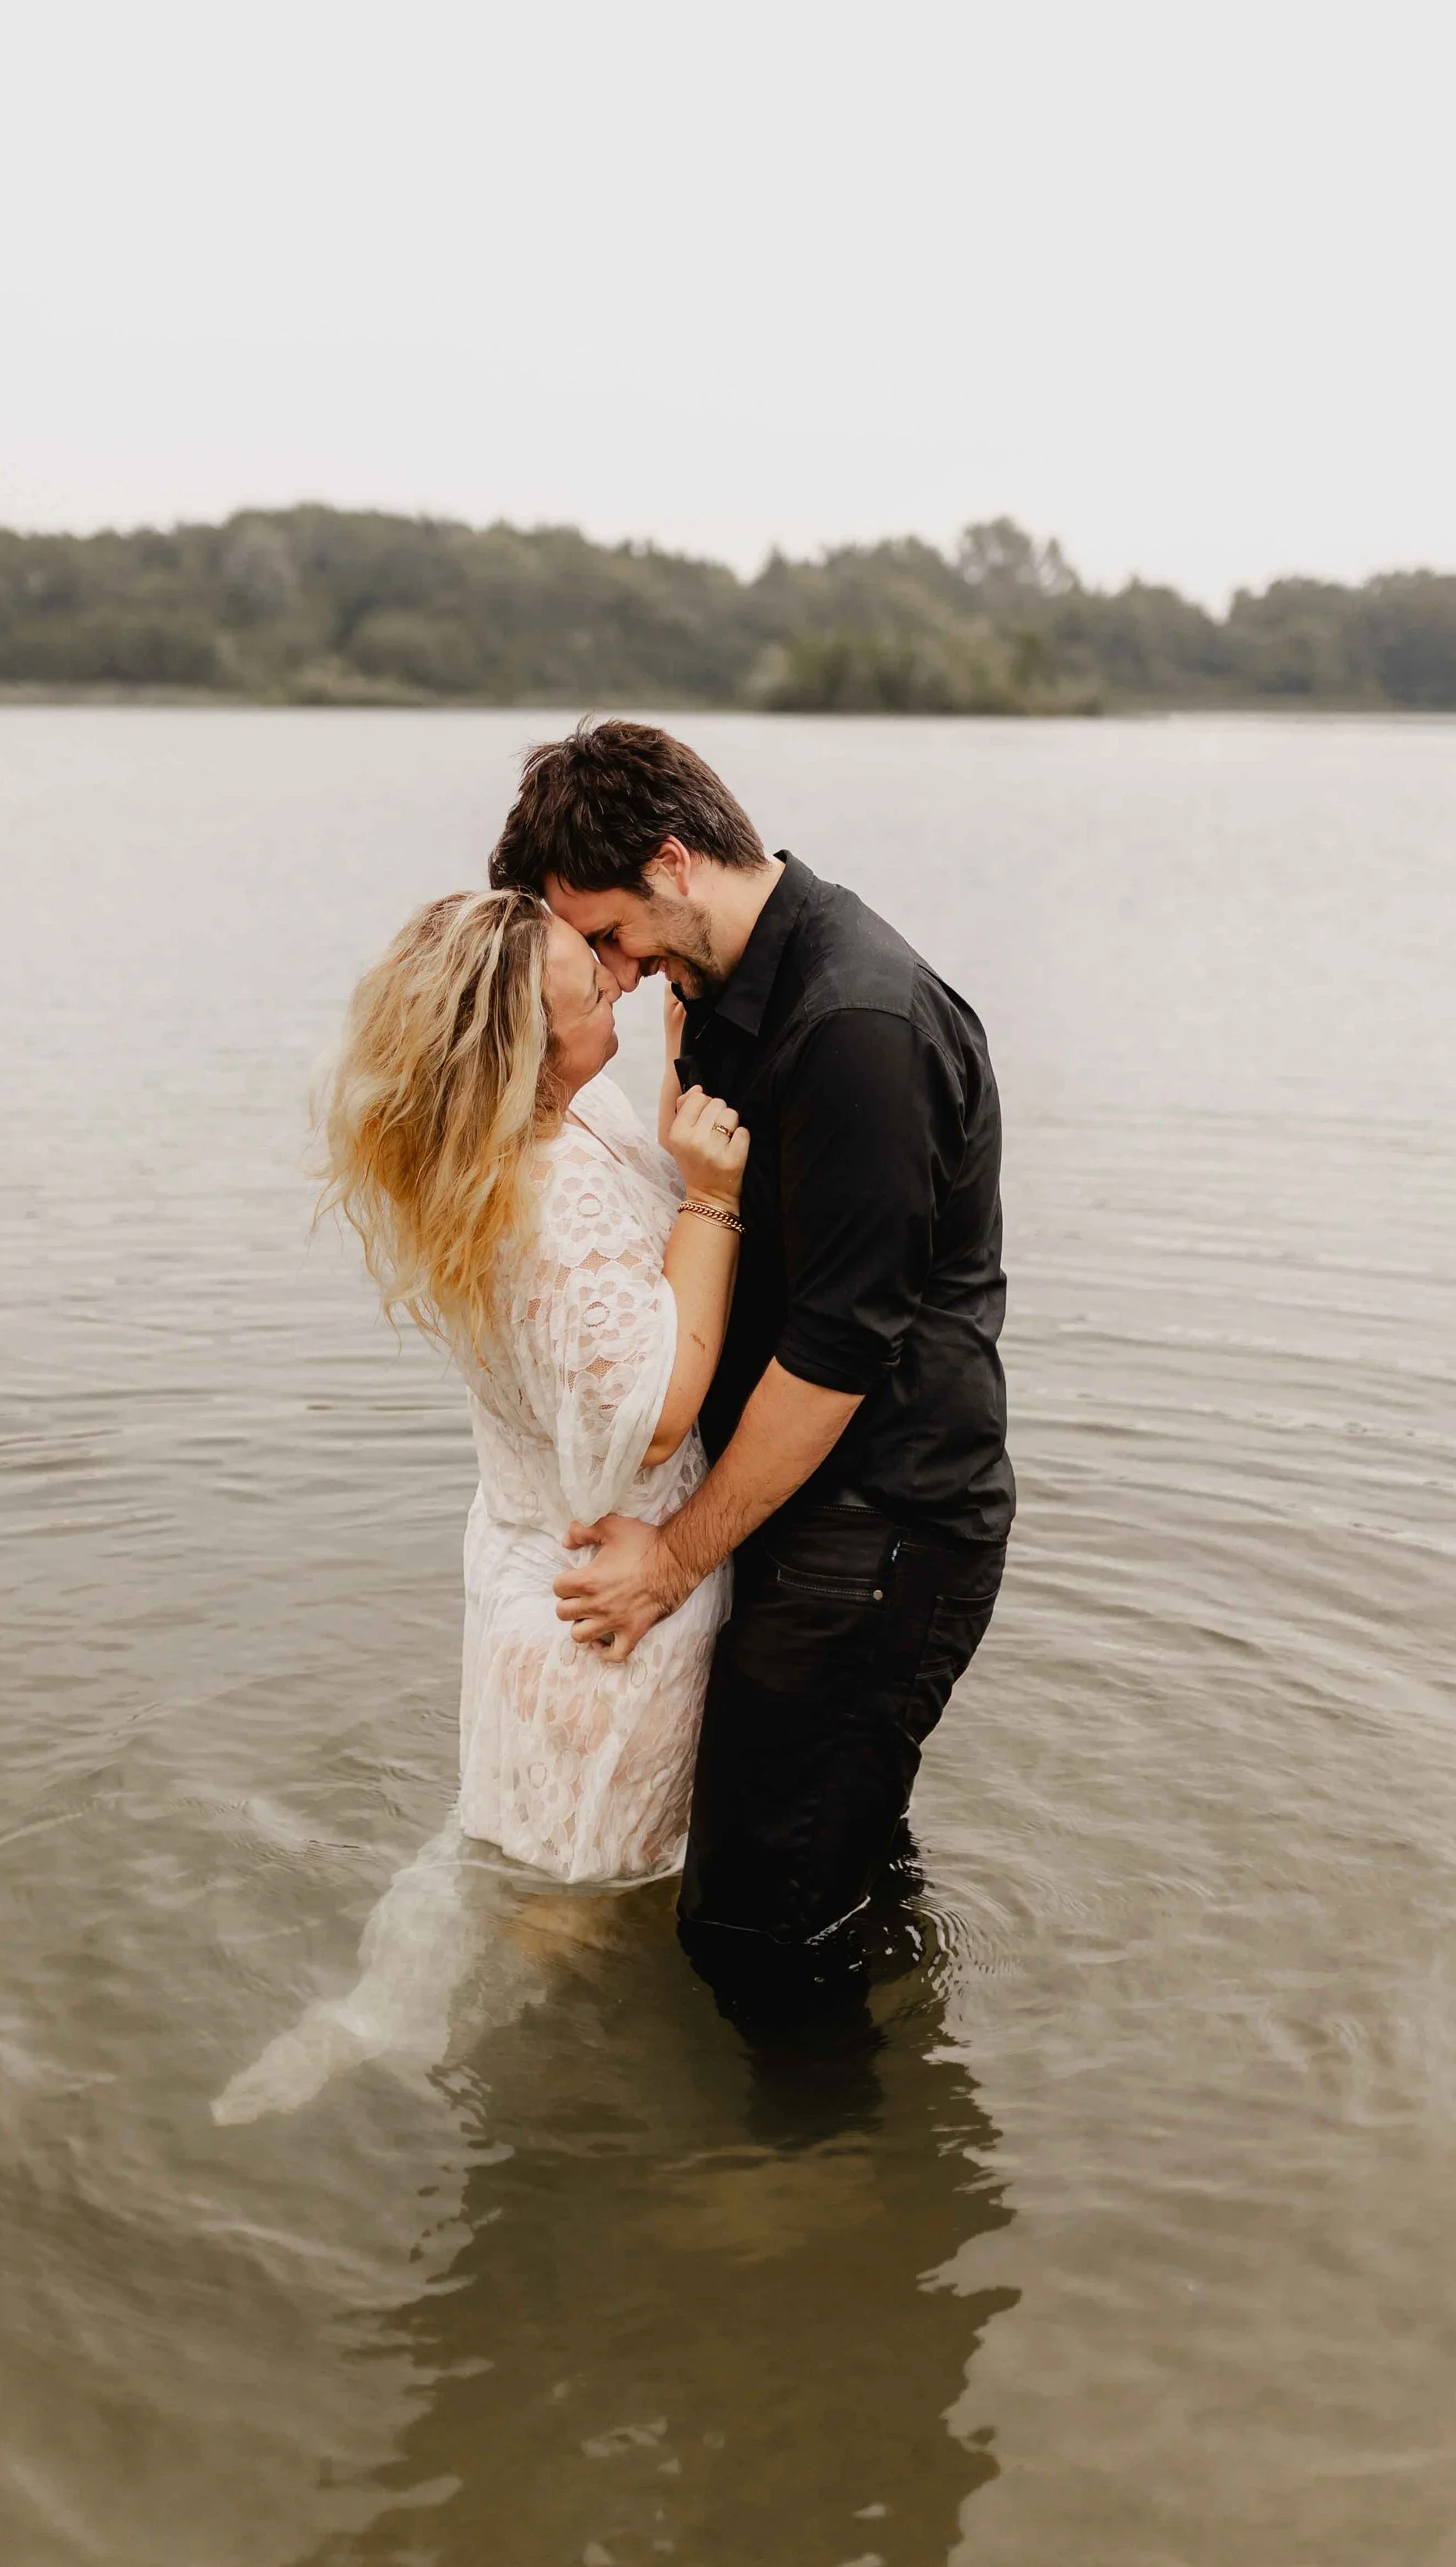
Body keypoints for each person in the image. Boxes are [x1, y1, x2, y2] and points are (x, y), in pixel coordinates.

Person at [488, 721, 1013, 2021]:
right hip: (793, 1510)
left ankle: (796, 2186)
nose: (603, 973)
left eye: (606, 935)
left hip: (881, 1526)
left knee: (749, 1923)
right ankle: (871, 2098)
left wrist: (671, 1560)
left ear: (673, 861)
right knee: (828, 1861)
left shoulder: (859, 1025)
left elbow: (835, 1360)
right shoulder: (712, 990)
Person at [214, 886, 750, 2120]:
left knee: (496, 1846)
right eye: (589, 987)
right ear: (527, 1047)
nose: (618, 981)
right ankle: (526, 2123)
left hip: (526, 1568)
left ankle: (372, 2013)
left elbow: (607, 1255)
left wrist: (672, 1102)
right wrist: (714, 1196)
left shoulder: (494, 1145)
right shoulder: (551, 1193)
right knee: (574, 1911)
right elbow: (649, 1420)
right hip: (606, 1601)